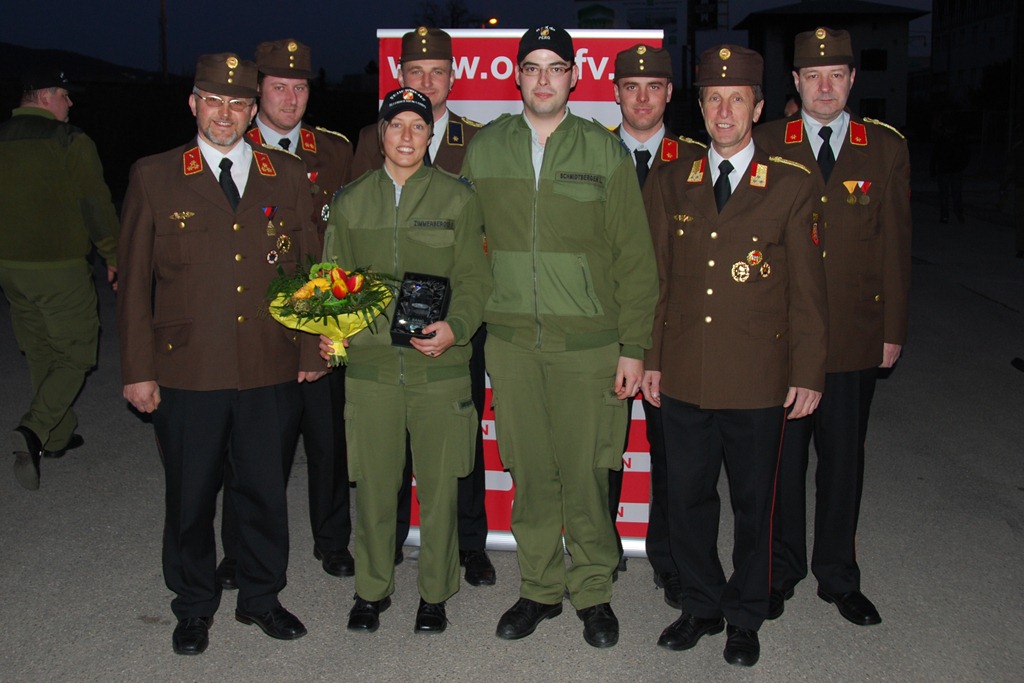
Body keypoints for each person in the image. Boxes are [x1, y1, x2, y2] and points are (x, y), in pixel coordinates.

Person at [117, 53, 323, 655]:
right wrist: (138, 370)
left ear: (253, 110)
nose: (225, 114)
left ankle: (261, 597)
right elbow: (134, 283)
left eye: (237, 103)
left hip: (268, 363)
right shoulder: (155, 176)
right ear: (193, 104)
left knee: (264, 491)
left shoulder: (286, 174)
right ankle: (193, 604)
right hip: (188, 367)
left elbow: (310, 268)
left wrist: (311, 349)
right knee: (190, 495)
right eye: (213, 101)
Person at [460, 26, 659, 649]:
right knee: (530, 471)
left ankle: (593, 591)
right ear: (517, 76)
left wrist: (633, 347)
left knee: (587, 473)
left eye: (555, 67)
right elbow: (464, 249)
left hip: (590, 348)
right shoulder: (486, 149)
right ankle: (540, 589)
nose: (543, 78)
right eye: (532, 67)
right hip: (513, 344)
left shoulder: (604, 152)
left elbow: (635, 259)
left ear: (574, 77)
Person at [641, 45, 827, 667]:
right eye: (714, 99)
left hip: (757, 379)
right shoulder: (672, 180)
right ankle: (700, 604)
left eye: (737, 99)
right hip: (685, 372)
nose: (724, 111)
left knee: (756, 506)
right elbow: (655, 280)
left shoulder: (792, 185)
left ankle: (746, 614)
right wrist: (650, 357)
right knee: (687, 498)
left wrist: (808, 371)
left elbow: (808, 292)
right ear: (699, 106)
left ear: (758, 107)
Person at [753, 27, 912, 627]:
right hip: (784, 339)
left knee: (844, 462)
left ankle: (839, 575)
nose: (825, 87)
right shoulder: (767, 142)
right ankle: (780, 570)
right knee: (782, 463)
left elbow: (896, 246)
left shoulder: (885, 148)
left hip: (852, 335)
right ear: (795, 82)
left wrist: (892, 329)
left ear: (852, 81)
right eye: (813, 77)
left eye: (836, 76)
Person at [321, 87, 491, 634]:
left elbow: (475, 280)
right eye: (397, 125)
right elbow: (334, 281)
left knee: (439, 488)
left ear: (430, 135)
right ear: (381, 134)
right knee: (374, 487)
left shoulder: (458, 199)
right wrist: (333, 334)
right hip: (371, 372)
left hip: (439, 369)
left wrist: (457, 327)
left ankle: (435, 594)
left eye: (418, 126)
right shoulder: (350, 202)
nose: (407, 136)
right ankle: (371, 590)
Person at [352, 26, 495, 586]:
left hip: (450, 330)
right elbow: (343, 247)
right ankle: (381, 557)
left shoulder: (472, 148)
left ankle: (464, 552)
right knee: (384, 457)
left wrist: (460, 322)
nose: (427, 81)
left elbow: (483, 247)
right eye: (416, 72)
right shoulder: (365, 155)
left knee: (454, 454)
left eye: (437, 72)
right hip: (380, 342)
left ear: (452, 79)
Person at [213, 38, 356, 591]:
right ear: (256, 94)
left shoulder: (335, 151)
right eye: (279, 87)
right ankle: (239, 549)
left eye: (300, 87)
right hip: (261, 326)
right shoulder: (233, 149)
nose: (291, 99)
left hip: (322, 316)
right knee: (252, 450)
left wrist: (339, 321)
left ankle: (332, 538)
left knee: (329, 439)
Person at [610, 42, 703, 608]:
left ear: (670, 93)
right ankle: (601, 549)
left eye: (653, 87)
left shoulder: (696, 159)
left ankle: (668, 557)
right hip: (607, 330)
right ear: (616, 93)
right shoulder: (594, 152)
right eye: (631, 87)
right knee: (603, 450)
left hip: (672, 332)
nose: (642, 98)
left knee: (673, 456)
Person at [0, 68, 118, 491]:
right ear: (46, 96)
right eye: (65, 95)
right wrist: (114, 254)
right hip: (59, 268)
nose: (71, 103)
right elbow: (94, 204)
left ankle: (56, 435)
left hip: (10, 269)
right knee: (76, 353)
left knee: (40, 348)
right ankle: (34, 429)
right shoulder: (69, 141)